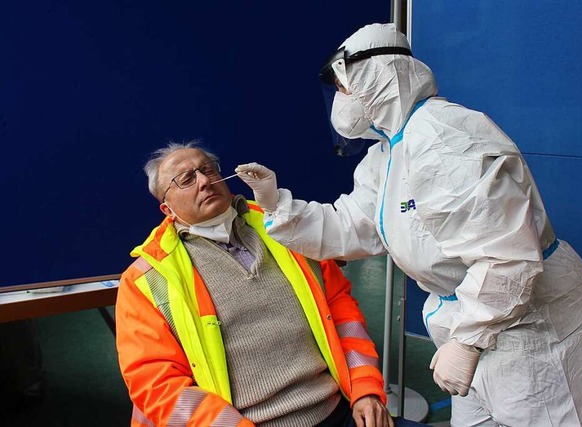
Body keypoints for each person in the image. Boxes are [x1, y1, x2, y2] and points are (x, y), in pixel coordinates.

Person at [235, 23, 582, 427]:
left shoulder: (444, 139)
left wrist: (468, 339)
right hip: (478, 322)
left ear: (377, 77)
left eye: (344, 88)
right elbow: (352, 225)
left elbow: (507, 258)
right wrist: (276, 204)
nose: (340, 102)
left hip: (535, 329)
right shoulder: (389, 153)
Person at [115, 141, 430, 427]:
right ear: (166, 208)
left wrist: (365, 389)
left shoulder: (283, 227)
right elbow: (156, 383)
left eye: (208, 169)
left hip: (339, 412)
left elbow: (343, 315)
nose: (204, 181)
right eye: (185, 179)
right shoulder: (146, 280)